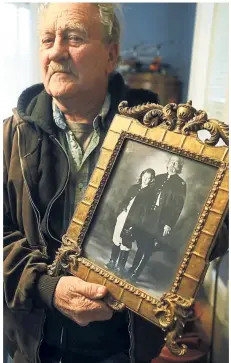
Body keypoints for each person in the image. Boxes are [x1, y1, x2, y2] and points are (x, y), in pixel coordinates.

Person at [3, 3, 167, 363]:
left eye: (74, 37)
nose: (56, 51)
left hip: (124, 347)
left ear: (111, 55)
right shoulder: (10, 138)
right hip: (33, 346)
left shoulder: (160, 138)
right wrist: (48, 285)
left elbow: (193, 239)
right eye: (47, 39)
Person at [127, 155, 186, 282]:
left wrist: (169, 224)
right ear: (168, 163)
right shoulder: (158, 178)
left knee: (148, 247)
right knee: (142, 244)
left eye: (177, 163)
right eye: (172, 162)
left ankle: (135, 274)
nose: (173, 165)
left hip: (161, 220)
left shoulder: (180, 184)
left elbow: (178, 207)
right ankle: (132, 268)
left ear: (180, 167)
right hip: (148, 217)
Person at [106, 168, 156, 275]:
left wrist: (137, 223)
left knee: (126, 242)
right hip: (123, 216)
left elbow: (146, 212)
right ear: (142, 176)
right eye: (145, 177)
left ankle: (120, 267)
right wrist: (123, 208)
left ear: (152, 180)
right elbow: (125, 200)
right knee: (116, 238)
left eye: (149, 178)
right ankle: (112, 262)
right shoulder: (134, 187)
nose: (146, 180)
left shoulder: (150, 194)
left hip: (133, 221)